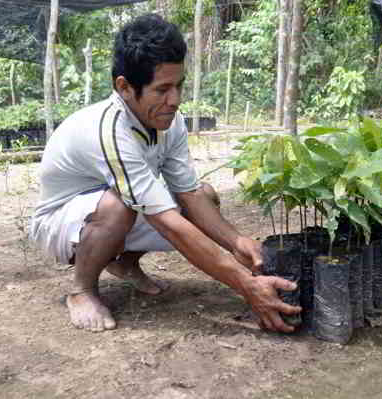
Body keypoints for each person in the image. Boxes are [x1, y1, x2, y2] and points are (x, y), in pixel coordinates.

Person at [30, 13, 300, 333]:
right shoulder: (109, 130)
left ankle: (124, 263)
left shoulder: (168, 121)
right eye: (163, 89)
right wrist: (246, 285)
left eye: (179, 85)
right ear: (125, 87)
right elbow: (167, 223)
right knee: (119, 206)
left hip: (110, 211)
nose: (175, 100)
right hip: (61, 223)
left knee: (206, 194)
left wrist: (236, 241)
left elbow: (189, 195)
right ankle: (82, 290)